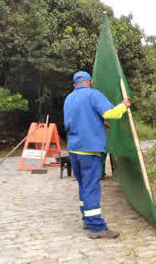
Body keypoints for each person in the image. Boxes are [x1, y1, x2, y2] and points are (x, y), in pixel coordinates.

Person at [63, 71, 130, 239]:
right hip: (89, 149)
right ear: (90, 82)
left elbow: (76, 120)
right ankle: (97, 227)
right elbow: (110, 113)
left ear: (74, 84)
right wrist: (124, 105)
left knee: (84, 185)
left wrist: (99, 123)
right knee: (91, 186)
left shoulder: (69, 99)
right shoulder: (93, 95)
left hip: (73, 149)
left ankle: (87, 218)